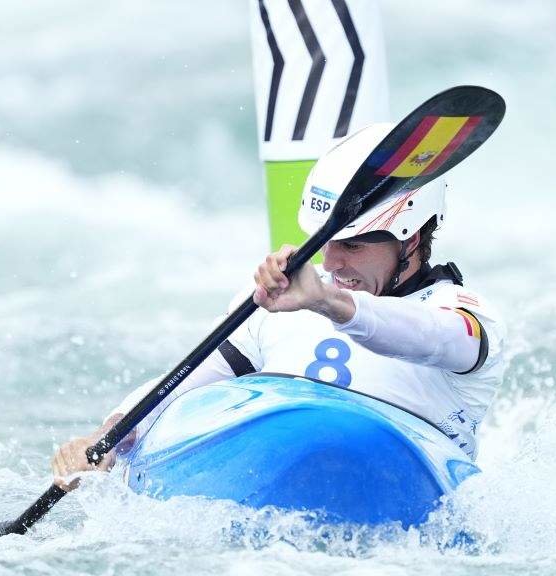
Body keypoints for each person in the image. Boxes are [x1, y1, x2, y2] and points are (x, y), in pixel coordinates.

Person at [51, 123, 507, 491]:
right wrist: (110, 437)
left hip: (404, 482)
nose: (331, 261)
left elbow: (430, 336)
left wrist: (328, 301)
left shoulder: (467, 315)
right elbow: (184, 382)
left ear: (410, 238)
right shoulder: (281, 303)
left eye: (352, 244)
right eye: (325, 242)